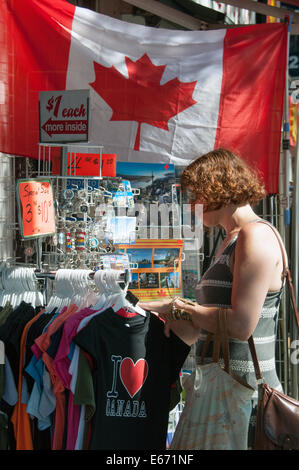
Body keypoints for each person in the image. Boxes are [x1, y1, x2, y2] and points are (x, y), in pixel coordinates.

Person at [138, 148, 286, 449]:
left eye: (196, 194)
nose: (193, 204)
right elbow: (209, 321)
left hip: (243, 402)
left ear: (217, 187)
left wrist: (180, 308)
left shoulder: (253, 236)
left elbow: (241, 325)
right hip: (224, 396)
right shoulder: (231, 239)